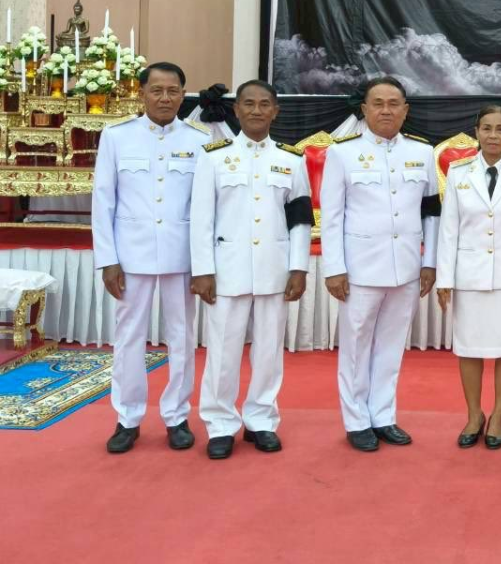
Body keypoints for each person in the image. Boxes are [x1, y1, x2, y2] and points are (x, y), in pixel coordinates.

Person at [189, 80, 314, 459]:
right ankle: (220, 424)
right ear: (237, 110)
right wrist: (202, 270)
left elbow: (301, 219)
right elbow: (201, 219)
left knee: (269, 351)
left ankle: (261, 420)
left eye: (264, 104)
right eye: (249, 104)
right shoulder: (213, 156)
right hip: (227, 270)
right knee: (223, 350)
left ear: (276, 111)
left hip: (275, 270)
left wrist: (299, 268)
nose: (257, 110)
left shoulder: (292, 159)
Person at [92, 62, 209, 453]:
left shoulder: (199, 139)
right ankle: (128, 417)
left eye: (173, 91)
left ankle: (177, 416)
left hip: (181, 257)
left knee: (182, 338)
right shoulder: (116, 136)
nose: (164, 98)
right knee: (128, 339)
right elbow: (103, 201)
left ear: (183, 94)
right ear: (141, 93)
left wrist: (203, 264)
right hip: (131, 256)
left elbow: (205, 206)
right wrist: (108, 259)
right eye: (156, 90)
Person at [320, 77, 439, 452]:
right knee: (356, 345)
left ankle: (383, 415)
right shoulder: (342, 153)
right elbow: (332, 216)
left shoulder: (422, 153)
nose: (386, 110)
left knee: (391, 345)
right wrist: (334, 268)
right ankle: (356, 420)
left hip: (405, 266)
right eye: (378, 103)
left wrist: (429, 262)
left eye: (393, 103)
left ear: (406, 110)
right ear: (364, 109)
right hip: (359, 269)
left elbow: (431, 212)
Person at [436, 105, 501, 450]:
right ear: (476, 132)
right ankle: (473, 414)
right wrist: (444, 279)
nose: (493, 135)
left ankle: (498, 414)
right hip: (469, 274)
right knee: (469, 348)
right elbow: (449, 228)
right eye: (486, 128)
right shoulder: (458, 171)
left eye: (500, 129)